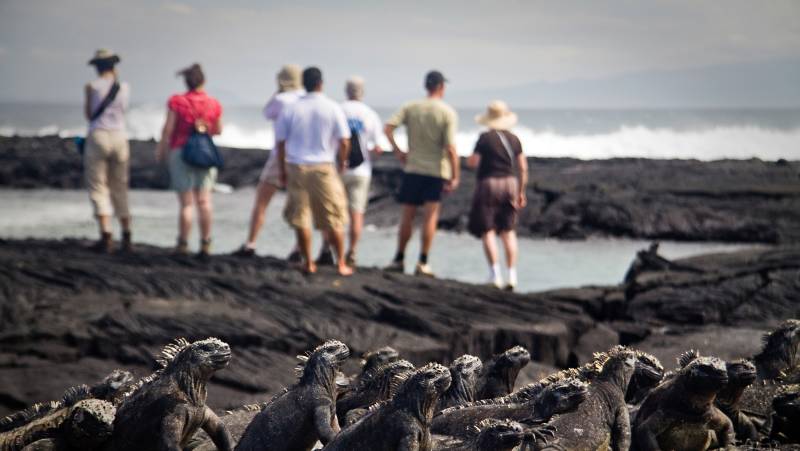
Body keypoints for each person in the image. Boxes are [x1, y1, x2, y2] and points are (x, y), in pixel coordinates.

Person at [276, 67, 353, 276]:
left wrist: (282, 169)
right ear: (321, 83)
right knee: (333, 216)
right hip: (323, 166)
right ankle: (341, 263)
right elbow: (344, 141)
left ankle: (308, 262)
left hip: (296, 166)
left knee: (301, 216)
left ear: (304, 84)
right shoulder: (332, 107)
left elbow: (281, 143)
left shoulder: (291, 109)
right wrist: (342, 162)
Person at [384, 70, 459, 277]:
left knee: (407, 215)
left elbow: (388, 128)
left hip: (413, 168)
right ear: (441, 87)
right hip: (436, 171)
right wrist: (455, 175)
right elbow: (451, 148)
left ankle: (399, 258)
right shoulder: (447, 112)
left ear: (426, 86)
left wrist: (398, 151)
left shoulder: (411, 107)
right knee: (430, 217)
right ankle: (423, 262)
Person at [236, 64, 305, 258]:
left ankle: (251, 242)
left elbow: (267, 113)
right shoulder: (304, 99)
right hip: (300, 157)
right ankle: (299, 247)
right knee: (300, 205)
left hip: (279, 155)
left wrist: (279, 91)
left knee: (262, 201)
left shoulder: (280, 99)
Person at [155, 63, 223, 257]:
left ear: (186, 82)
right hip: (205, 154)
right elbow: (218, 130)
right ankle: (205, 243)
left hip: (180, 151)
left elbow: (168, 129)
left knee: (186, 203)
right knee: (204, 201)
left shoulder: (177, 102)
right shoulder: (214, 103)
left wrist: (161, 150)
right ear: (204, 81)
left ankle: (183, 243)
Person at [466, 100, 528, 290]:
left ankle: (495, 274)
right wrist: (521, 191)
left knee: (488, 230)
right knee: (508, 231)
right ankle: (512, 275)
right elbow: (523, 167)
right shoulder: (514, 139)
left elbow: (473, 162)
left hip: (489, 183)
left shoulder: (484, 138)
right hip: (510, 182)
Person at [83, 49, 132, 253]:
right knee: (120, 185)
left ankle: (106, 234)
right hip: (119, 137)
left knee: (98, 186)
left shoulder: (91, 86)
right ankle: (127, 234)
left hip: (99, 135)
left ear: (97, 67)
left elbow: (88, 115)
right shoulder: (124, 87)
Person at [338, 76, 383, 266]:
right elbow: (378, 147)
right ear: (362, 92)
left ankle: (328, 249)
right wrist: (369, 156)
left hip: (339, 169)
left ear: (346, 91)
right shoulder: (370, 114)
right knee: (357, 213)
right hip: (362, 170)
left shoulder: (338, 110)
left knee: (335, 214)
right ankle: (352, 252)